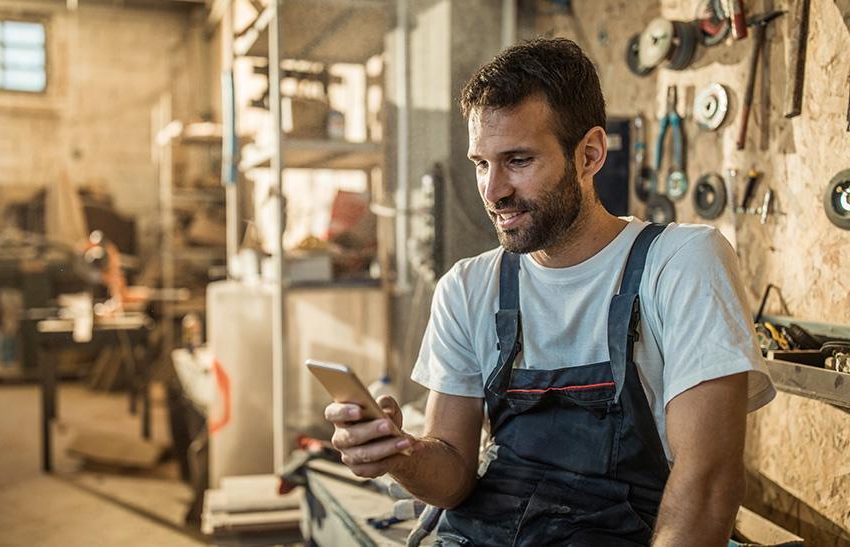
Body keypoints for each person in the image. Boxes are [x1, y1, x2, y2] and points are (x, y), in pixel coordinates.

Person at [325, 38, 775, 546]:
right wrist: (401, 454)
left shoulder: (681, 264)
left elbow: (708, 480)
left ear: (589, 155)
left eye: (517, 160)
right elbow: (451, 475)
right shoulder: (468, 288)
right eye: (481, 163)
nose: (493, 191)